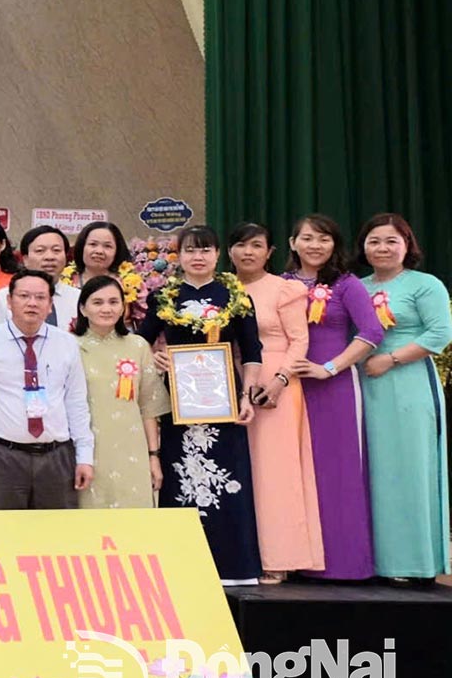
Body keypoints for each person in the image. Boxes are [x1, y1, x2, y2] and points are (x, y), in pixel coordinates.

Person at [136, 225, 262, 584]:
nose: (198, 257)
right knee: (180, 476)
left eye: (205, 250)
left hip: (223, 401)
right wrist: (154, 358)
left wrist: (246, 395)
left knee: (229, 476)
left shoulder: (235, 294)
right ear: (180, 255)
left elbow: (253, 352)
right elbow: (140, 341)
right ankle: (181, 566)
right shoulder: (164, 295)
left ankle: (234, 568)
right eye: (190, 250)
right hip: (178, 402)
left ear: (218, 254)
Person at [281, 214, 383, 581]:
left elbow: (372, 332)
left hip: (333, 390)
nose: (315, 246)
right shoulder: (281, 284)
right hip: (288, 388)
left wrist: (330, 367)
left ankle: (343, 563)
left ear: (334, 245)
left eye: (323, 239)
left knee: (335, 471)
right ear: (292, 243)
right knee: (293, 472)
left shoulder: (346, 284)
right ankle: (294, 558)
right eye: (307, 238)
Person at [355, 214, 451, 580]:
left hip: (408, 381)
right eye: (374, 240)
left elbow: (439, 333)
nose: (382, 248)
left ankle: (414, 562)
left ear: (407, 245)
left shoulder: (425, 285)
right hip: (363, 383)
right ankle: (376, 561)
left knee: (409, 467)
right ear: (363, 246)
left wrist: (391, 359)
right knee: (373, 471)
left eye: (391, 241)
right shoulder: (355, 286)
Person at [227, 222, 322, 582]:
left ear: (270, 252)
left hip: (274, 385)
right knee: (238, 469)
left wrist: (281, 381)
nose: (247, 252)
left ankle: (278, 557)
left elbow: (300, 341)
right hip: (227, 379)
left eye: (256, 246)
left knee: (273, 472)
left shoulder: (286, 289)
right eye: (240, 245)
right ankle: (238, 553)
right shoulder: (222, 288)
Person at [0, 270, 95, 511]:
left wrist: (84, 456)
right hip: (2, 456)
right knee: (2, 537)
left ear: (50, 305)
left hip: (57, 457)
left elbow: (76, 403)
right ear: (9, 301)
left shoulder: (67, 344)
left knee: (58, 535)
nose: (32, 303)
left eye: (40, 297)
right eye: (24, 296)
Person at [72, 275, 165, 509]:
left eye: (114, 302)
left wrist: (153, 456)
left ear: (123, 307)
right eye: (98, 302)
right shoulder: (70, 347)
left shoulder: (138, 346)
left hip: (131, 449)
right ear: (83, 308)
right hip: (85, 451)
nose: (106, 308)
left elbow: (148, 407)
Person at [0, 226, 80, 329]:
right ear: (25, 259)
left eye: (56, 250)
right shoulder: (4, 297)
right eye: (40, 251)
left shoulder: (79, 298)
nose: (49, 257)